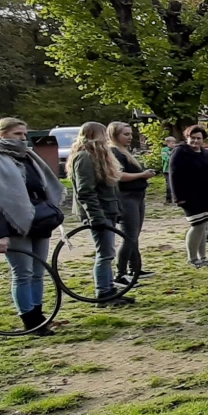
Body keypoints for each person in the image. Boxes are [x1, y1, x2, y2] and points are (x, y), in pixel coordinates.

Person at [0, 116, 65, 334]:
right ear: (1, 133)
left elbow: (41, 187)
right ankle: (30, 320)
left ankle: (40, 315)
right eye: (17, 134)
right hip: (13, 222)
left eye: (24, 134)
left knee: (38, 271)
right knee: (22, 272)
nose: (22, 138)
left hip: (39, 218)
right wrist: (0, 235)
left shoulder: (27, 155)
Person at [68, 121, 132, 307]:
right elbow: (85, 191)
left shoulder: (99, 156)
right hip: (99, 213)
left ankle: (109, 290)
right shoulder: (85, 157)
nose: (106, 137)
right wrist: (96, 217)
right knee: (104, 253)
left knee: (107, 252)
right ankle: (103, 293)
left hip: (107, 210)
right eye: (103, 133)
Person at [108, 121, 155, 285]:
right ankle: (120, 273)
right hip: (126, 196)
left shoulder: (124, 151)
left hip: (137, 195)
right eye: (125, 134)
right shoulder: (114, 152)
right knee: (129, 235)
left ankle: (135, 268)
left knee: (134, 235)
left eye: (130, 134)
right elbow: (118, 176)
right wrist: (142, 175)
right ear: (115, 135)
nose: (129, 138)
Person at [169, 123, 208, 267]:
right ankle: (192, 258)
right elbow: (174, 175)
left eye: (198, 138)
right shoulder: (180, 152)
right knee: (197, 225)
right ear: (187, 137)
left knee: (204, 226)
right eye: (192, 138)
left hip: (205, 195)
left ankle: (203, 257)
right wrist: (178, 197)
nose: (195, 141)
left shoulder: (205, 153)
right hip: (189, 196)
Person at [160, 135, 175, 203]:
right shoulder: (164, 150)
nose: (174, 144)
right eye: (172, 143)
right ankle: (168, 200)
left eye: (174, 143)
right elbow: (166, 158)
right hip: (167, 170)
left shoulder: (175, 150)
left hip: (174, 170)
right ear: (168, 143)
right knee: (169, 185)